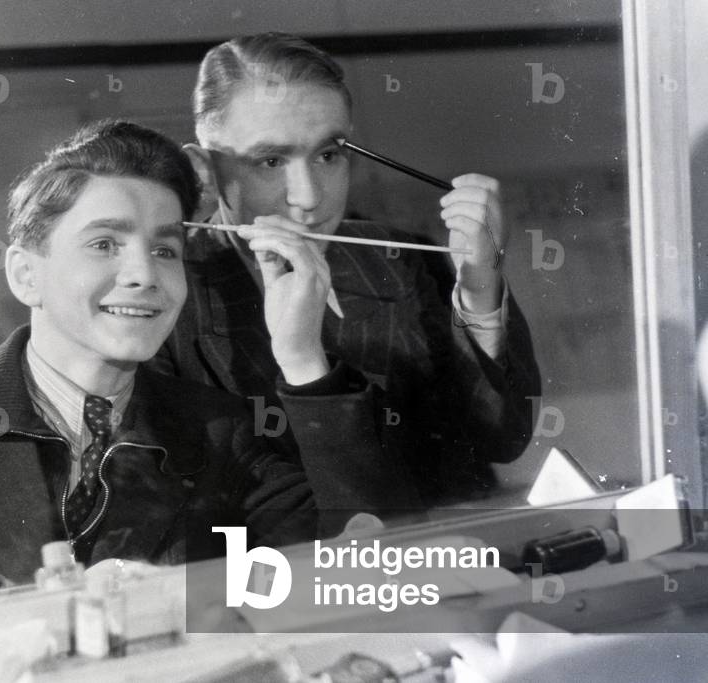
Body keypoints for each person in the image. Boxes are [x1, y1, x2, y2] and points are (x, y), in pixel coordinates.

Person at [0, 120, 380, 609]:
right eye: (105, 244)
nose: (144, 275)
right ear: (24, 274)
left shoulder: (220, 430)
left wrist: (302, 358)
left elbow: (362, 579)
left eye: (164, 250)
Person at [150, 33, 542, 509]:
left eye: (328, 155)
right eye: (271, 161)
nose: (309, 197)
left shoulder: (404, 258)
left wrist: (481, 284)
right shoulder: (163, 300)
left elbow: (503, 439)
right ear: (204, 171)